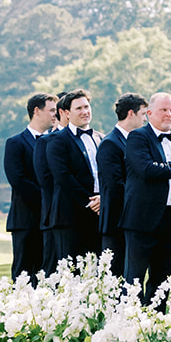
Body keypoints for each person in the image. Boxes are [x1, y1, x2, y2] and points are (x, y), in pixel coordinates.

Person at [122, 91, 171, 302]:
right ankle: (128, 324)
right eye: (164, 110)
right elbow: (146, 169)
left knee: (162, 279)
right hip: (142, 219)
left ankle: (156, 325)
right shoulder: (138, 136)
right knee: (134, 279)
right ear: (149, 113)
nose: (169, 114)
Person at [3, 93, 57, 281]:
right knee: (23, 275)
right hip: (26, 220)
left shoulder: (56, 142)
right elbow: (18, 180)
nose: (55, 115)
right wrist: (48, 200)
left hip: (52, 222)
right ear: (36, 110)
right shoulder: (15, 143)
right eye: (51, 110)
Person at [46, 89, 102, 265]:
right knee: (72, 274)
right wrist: (91, 202)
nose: (85, 112)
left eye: (87, 107)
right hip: (70, 217)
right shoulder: (56, 140)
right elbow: (64, 177)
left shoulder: (101, 138)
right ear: (67, 113)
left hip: (100, 214)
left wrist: (103, 199)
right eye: (79, 108)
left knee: (101, 273)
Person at [96, 94, 148, 276]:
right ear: (131, 113)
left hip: (133, 220)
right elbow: (116, 185)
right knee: (116, 275)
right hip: (116, 221)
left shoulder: (137, 141)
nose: (145, 119)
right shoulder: (110, 143)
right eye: (143, 114)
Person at [33, 97, 69, 275]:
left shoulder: (95, 138)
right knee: (53, 269)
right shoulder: (45, 141)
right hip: (55, 214)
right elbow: (45, 180)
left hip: (86, 215)